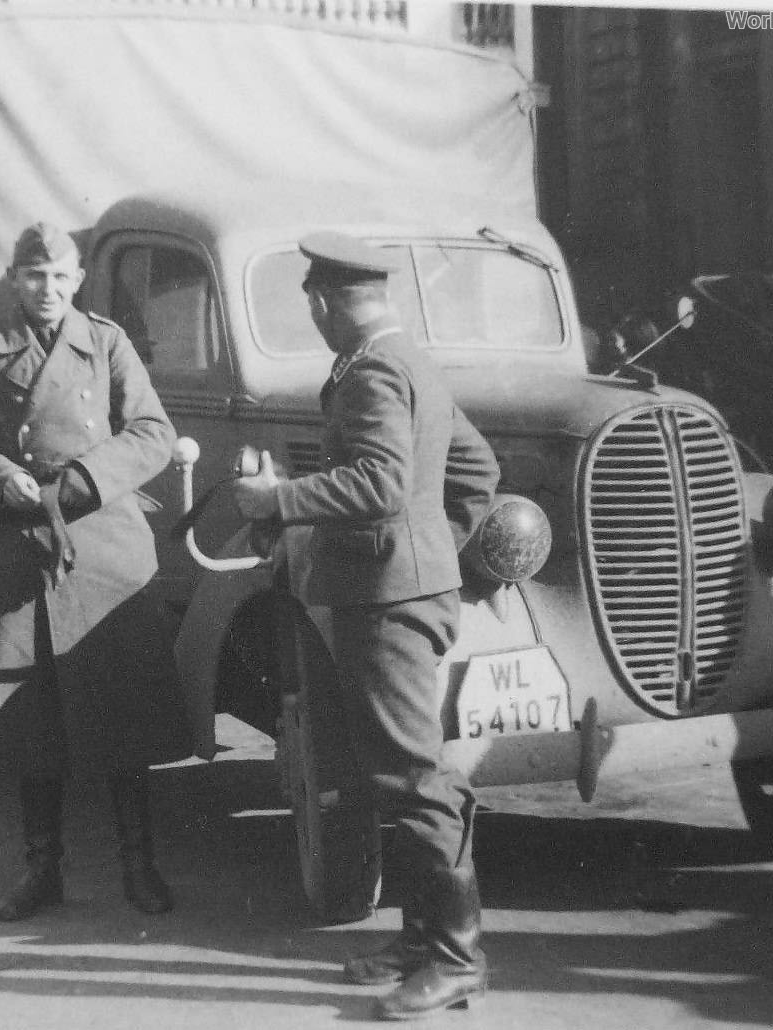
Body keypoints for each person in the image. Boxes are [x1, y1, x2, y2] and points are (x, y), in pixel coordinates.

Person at [232, 232, 499, 1022]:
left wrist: (278, 500)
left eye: (312, 303)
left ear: (323, 302)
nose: (313, 314)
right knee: (394, 770)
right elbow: (476, 470)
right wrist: (437, 553)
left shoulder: (373, 371)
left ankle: (457, 958)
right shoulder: (410, 359)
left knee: (414, 778)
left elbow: (383, 481)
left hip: (387, 600)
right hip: (400, 589)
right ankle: (423, 940)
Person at [0, 222, 192, 922]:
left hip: (101, 540)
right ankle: (41, 871)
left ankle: (139, 866)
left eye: (58, 276)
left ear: (78, 279)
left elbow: (151, 433)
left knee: (121, 712)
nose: (46, 290)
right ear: (14, 279)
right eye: (32, 276)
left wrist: (76, 483)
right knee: (29, 721)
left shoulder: (106, 342)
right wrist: (0, 477)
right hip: (20, 541)